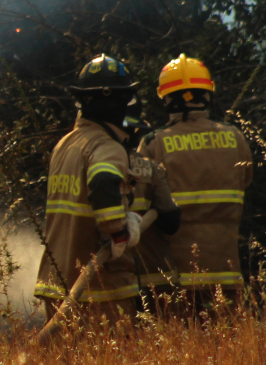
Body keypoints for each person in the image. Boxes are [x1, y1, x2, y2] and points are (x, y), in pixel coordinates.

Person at [34, 54, 161, 321]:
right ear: (114, 101)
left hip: (58, 285)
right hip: (99, 292)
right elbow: (103, 182)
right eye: (124, 99)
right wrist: (118, 229)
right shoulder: (106, 146)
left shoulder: (66, 144)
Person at [137, 54, 254, 315]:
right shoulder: (235, 137)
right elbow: (245, 181)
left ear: (166, 98)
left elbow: (138, 200)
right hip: (227, 275)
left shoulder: (154, 143)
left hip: (176, 279)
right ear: (207, 94)